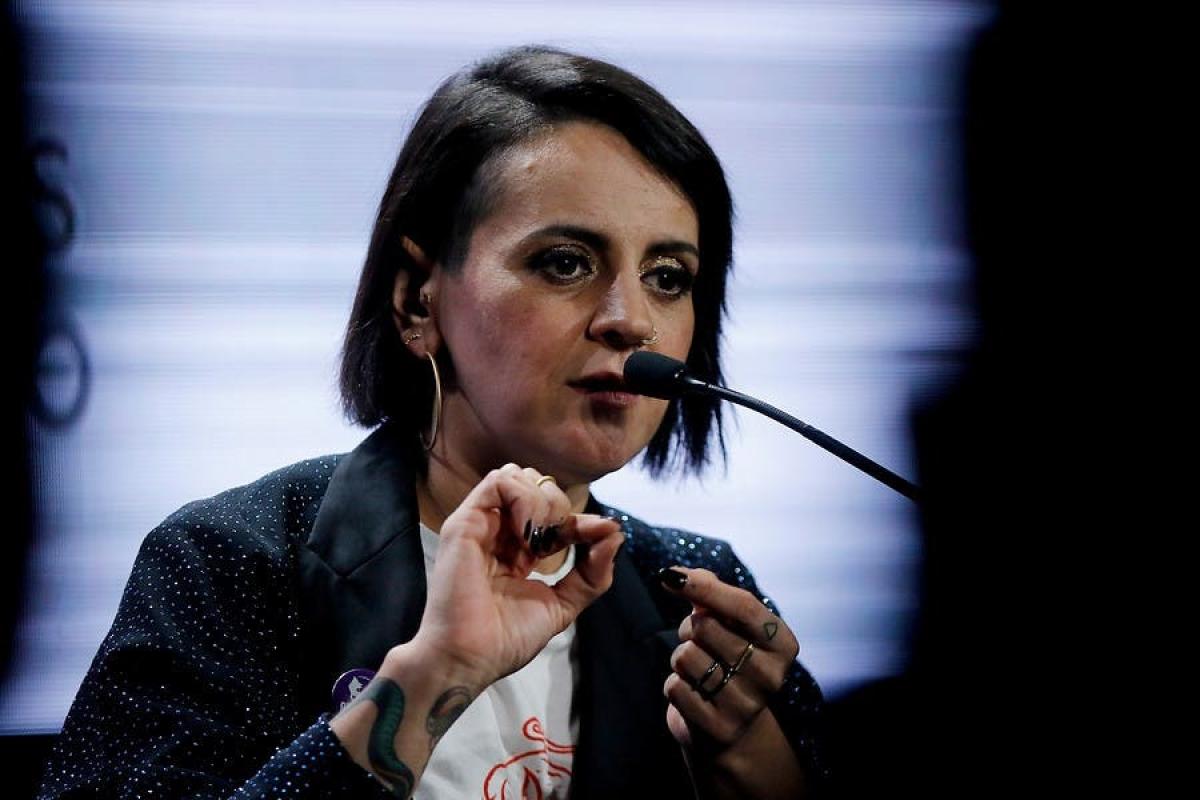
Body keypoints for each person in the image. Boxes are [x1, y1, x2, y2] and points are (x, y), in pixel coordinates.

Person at [38, 46, 826, 799]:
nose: (632, 320)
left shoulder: (696, 599)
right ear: (418, 299)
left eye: (668, 277)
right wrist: (435, 670)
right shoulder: (233, 563)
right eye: (565, 262)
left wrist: (740, 758)